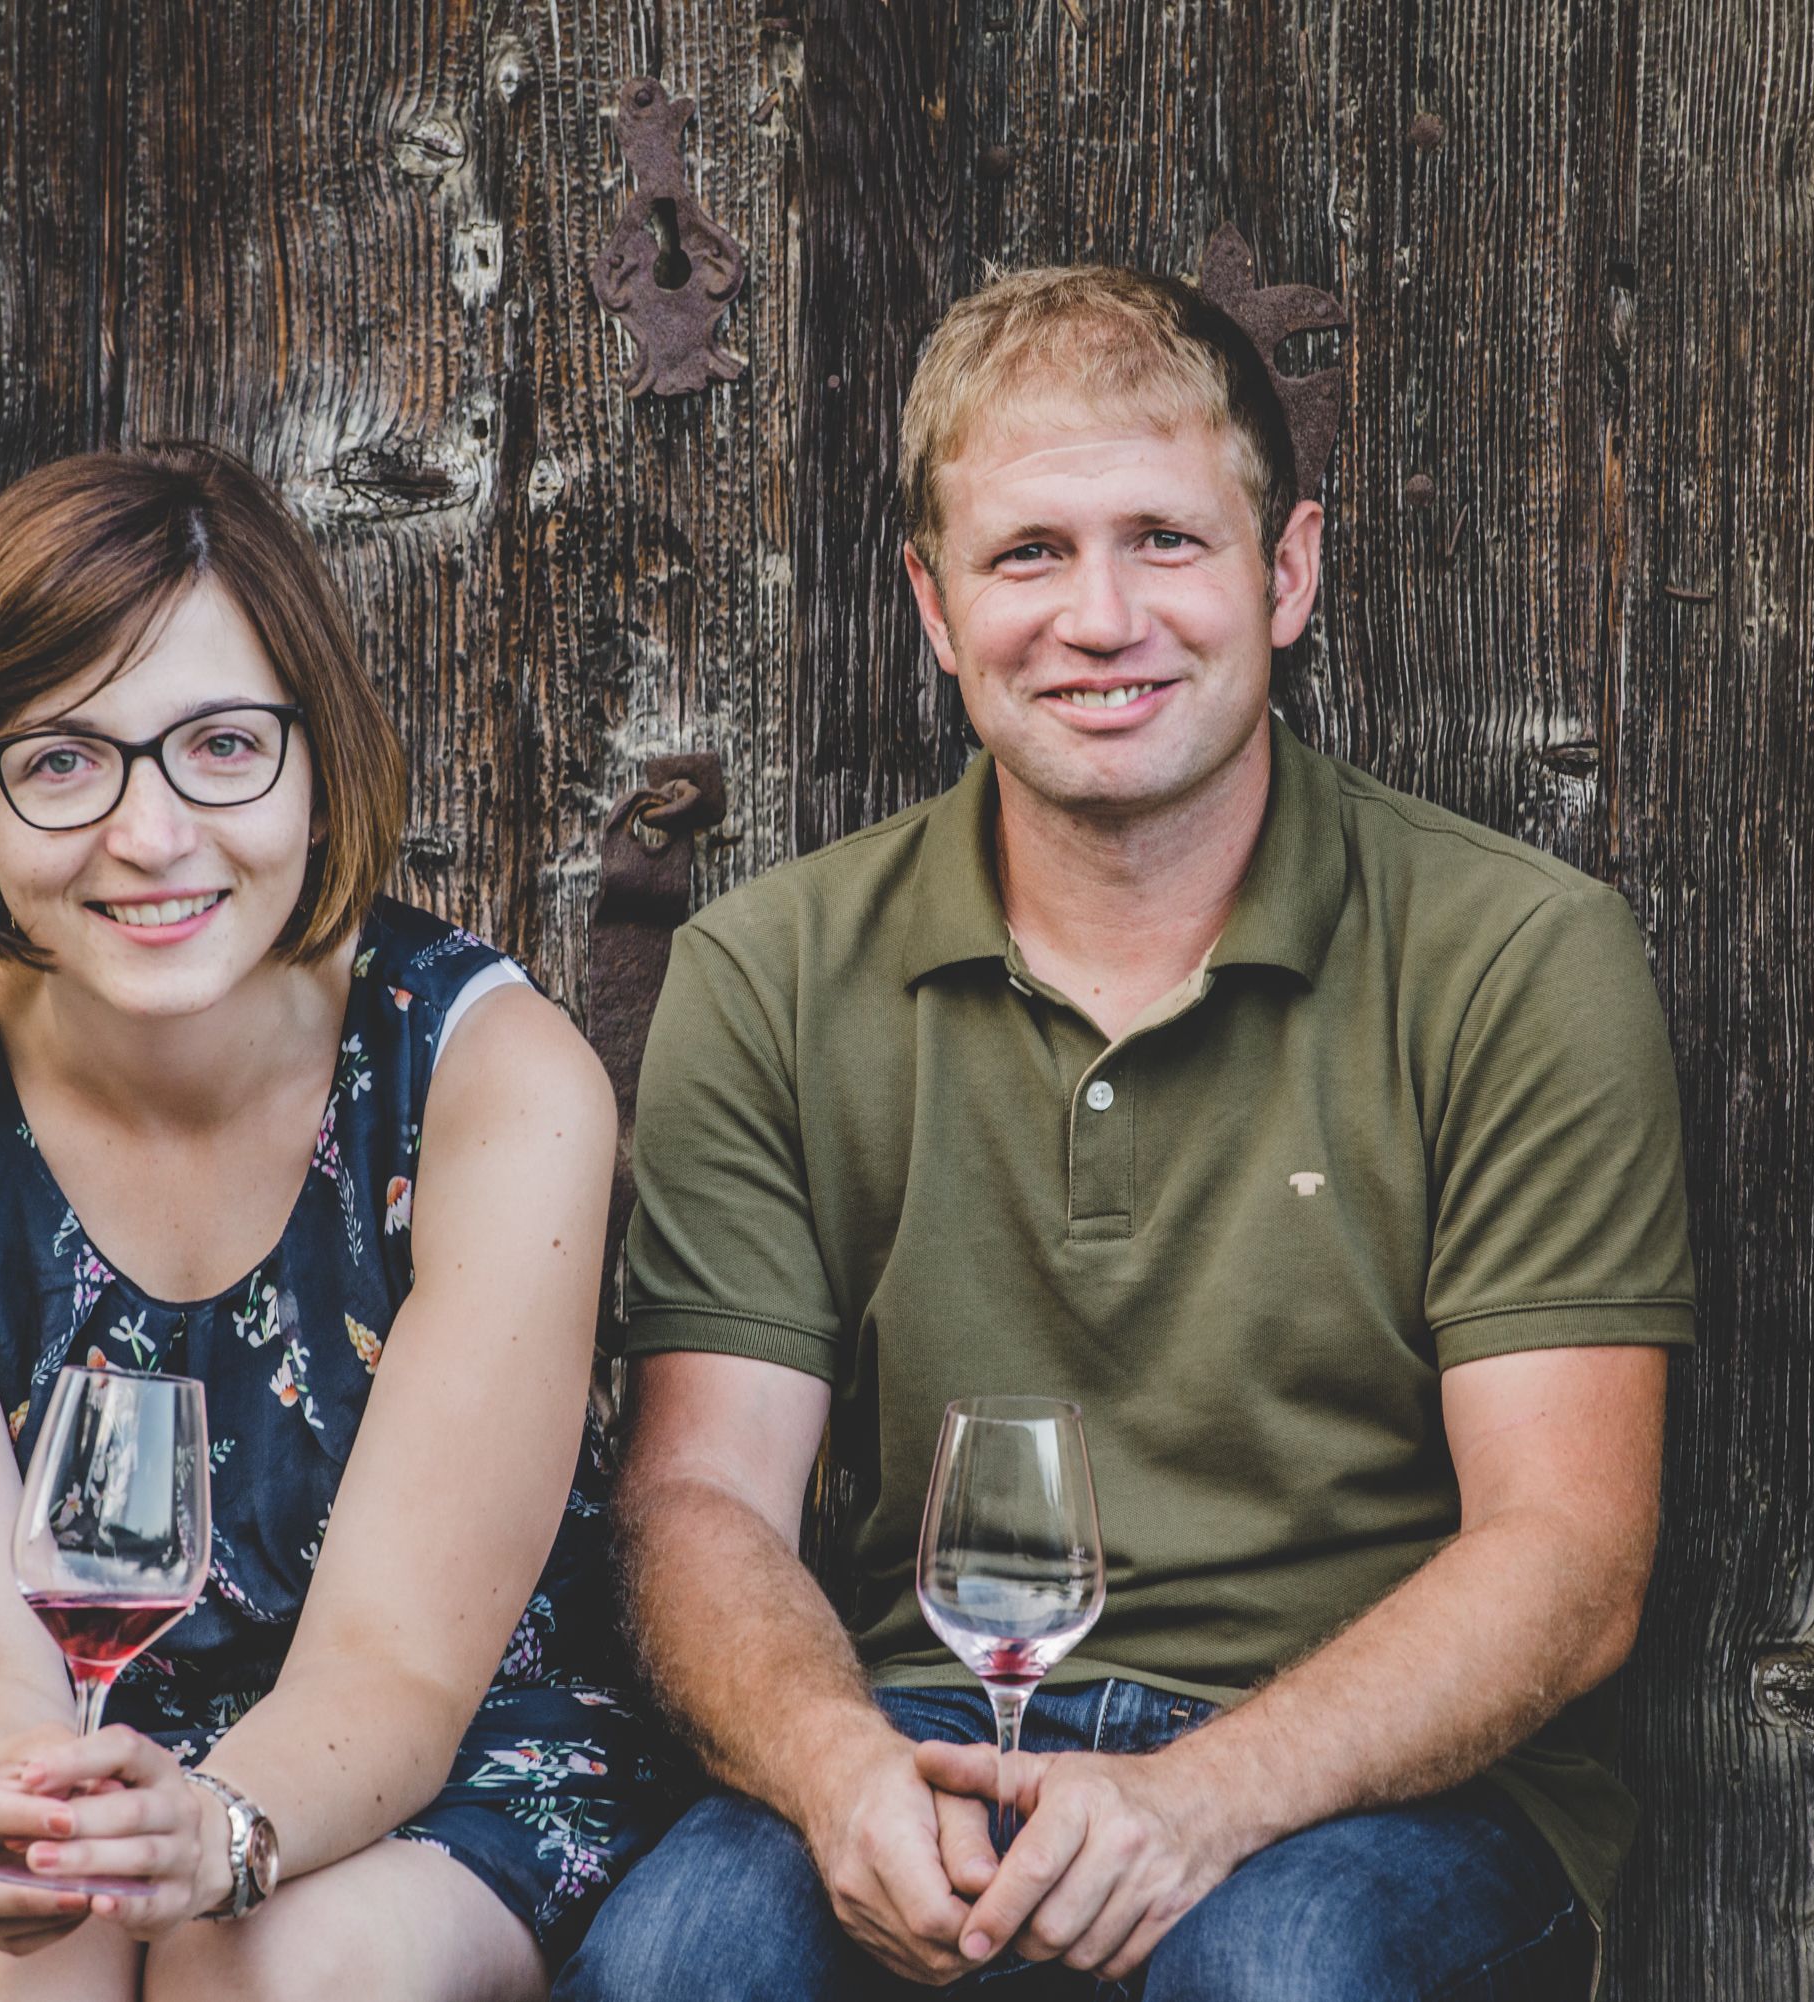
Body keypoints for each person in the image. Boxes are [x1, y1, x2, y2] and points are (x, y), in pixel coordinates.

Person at [556, 266, 1694, 2001]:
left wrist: (1203, 1798)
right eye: (1028, 555)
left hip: (1371, 1786)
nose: (1100, 617)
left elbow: (1569, 1553)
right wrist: (835, 1769)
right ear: (936, 610)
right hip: (928, 1727)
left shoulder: (1516, 956)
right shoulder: (772, 970)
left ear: (1285, 571)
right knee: (680, 1953)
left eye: (1165, 538)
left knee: (1274, 1967)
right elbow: (702, 1491)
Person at [0, 443, 658, 2002]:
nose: (152, 836)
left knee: (288, 1968)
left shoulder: (486, 1077)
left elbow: (400, 1666)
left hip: (445, 1737)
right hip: (29, 1722)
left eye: (222, 744)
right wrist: (28, 1819)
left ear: (315, 759)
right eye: (63, 760)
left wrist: (216, 1834)